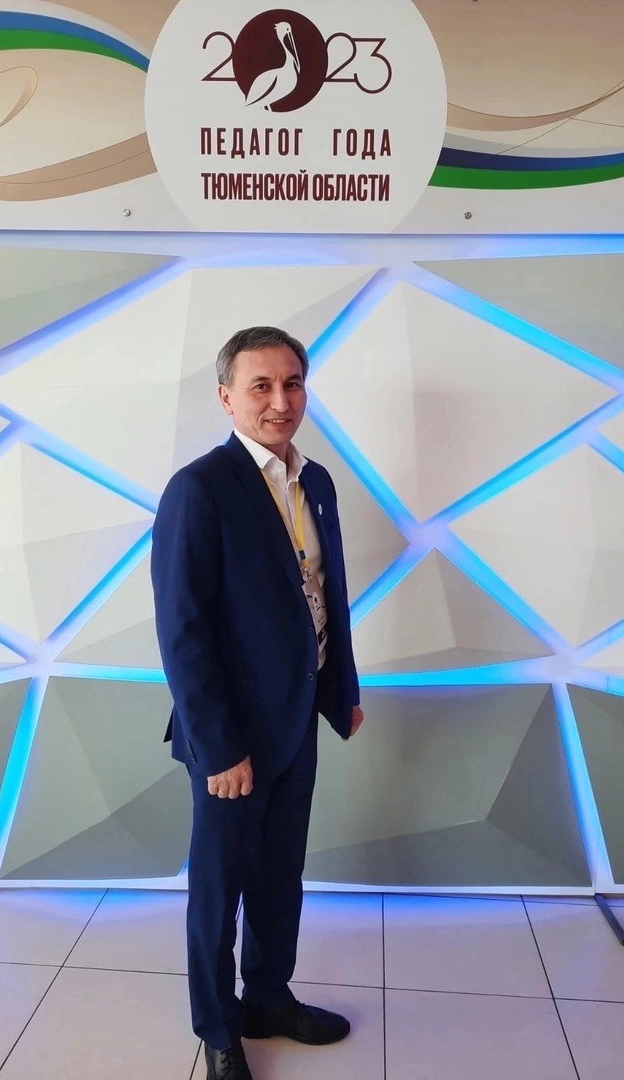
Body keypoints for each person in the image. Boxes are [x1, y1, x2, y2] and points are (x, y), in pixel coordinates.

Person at [151, 326, 364, 1080]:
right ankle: (218, 1029)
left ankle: (269, 998)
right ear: (226, 397)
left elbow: (327, 593)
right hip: (231, 737)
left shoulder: (318, 482)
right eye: (262, 386)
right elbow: (182, 631)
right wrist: (218, 747)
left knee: (280, 874)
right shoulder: (200, 489)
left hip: (297, 719)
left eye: (293, 383)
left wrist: (343, 688)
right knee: (220, 889)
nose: (281, 400)